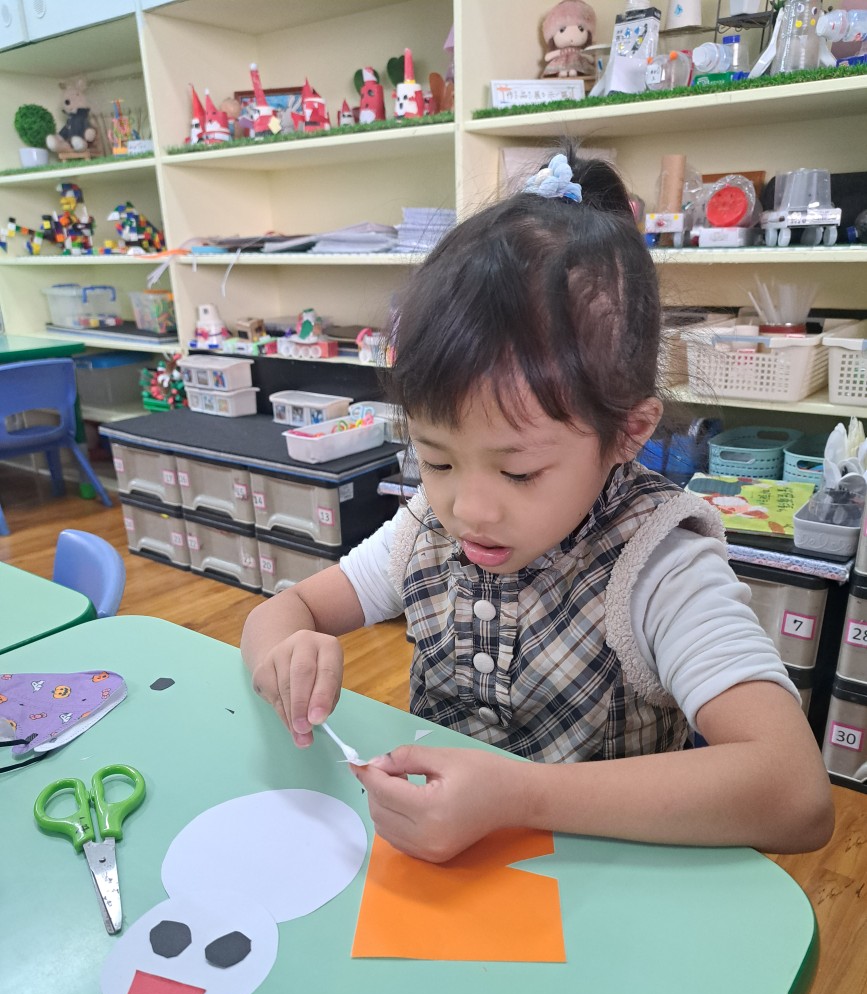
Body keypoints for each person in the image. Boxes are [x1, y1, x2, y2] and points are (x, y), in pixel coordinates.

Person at [242, 150, 834, 863]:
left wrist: (521, 797)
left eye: (518, 472)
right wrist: (286, 652)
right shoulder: (425, 529)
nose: (469, 509)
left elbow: (795, 794)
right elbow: (284, 612)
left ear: (627, 433)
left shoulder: (658, 564)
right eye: (437, 460)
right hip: (445, 875)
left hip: (603, 892)